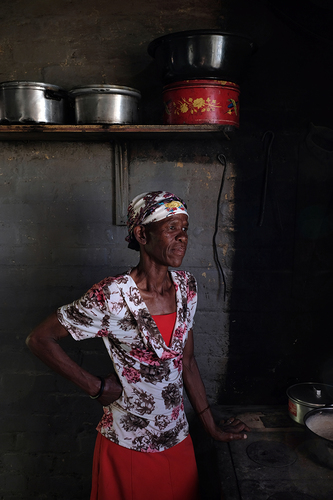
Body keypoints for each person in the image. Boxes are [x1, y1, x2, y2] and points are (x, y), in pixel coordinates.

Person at [26, 191, 250, 500]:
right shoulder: (112, 295)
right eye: (172, 228)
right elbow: (39, 339)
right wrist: (95, 386)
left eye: (184, 228)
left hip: (178, 438)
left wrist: (210, 425)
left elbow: (186, 363)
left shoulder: (187, 288)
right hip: (129, 443)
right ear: (142, 234)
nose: (183, 237)